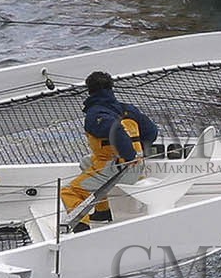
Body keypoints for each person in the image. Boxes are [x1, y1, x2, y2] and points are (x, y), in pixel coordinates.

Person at [61, 70, 159, 231]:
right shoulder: (128, 109)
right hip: (138, 167)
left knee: (70, 191)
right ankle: (102, 212)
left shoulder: (95, 114)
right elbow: (152, 132)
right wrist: (137, 155)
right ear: (111, 88)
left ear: (89, 90)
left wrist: (128, 157)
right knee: (87, 162)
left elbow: (116, 131)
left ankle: (80, 227)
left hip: (119, 168)